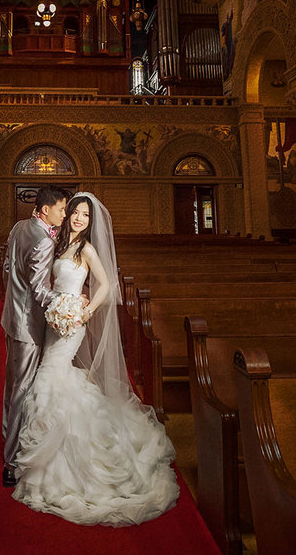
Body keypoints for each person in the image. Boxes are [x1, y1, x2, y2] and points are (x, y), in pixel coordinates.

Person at [11, 192, 180, 526]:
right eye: (76, 212)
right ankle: (53, 456)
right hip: (53, 318)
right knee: (51, 376)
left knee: (50, 376)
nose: (79, 219)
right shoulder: (58, 243)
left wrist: (84, 310)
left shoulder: (86, 249)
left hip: (71, 321)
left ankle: (67, 461)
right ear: (68, 213)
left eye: (86, 216)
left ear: (91, 221)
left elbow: (107, 284)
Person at [0, 185, 78, 488]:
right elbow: (39, 287)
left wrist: (15, 297)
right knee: (21, 391)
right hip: (28, 326)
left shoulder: (20, 227)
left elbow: (8, 267)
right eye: (62, 209)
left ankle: (9, 438)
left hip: (12, 318)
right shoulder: (44, 240)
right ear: (46, 210)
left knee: (13, 387)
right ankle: (11, 463)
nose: (65, 214)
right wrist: (65, 306)